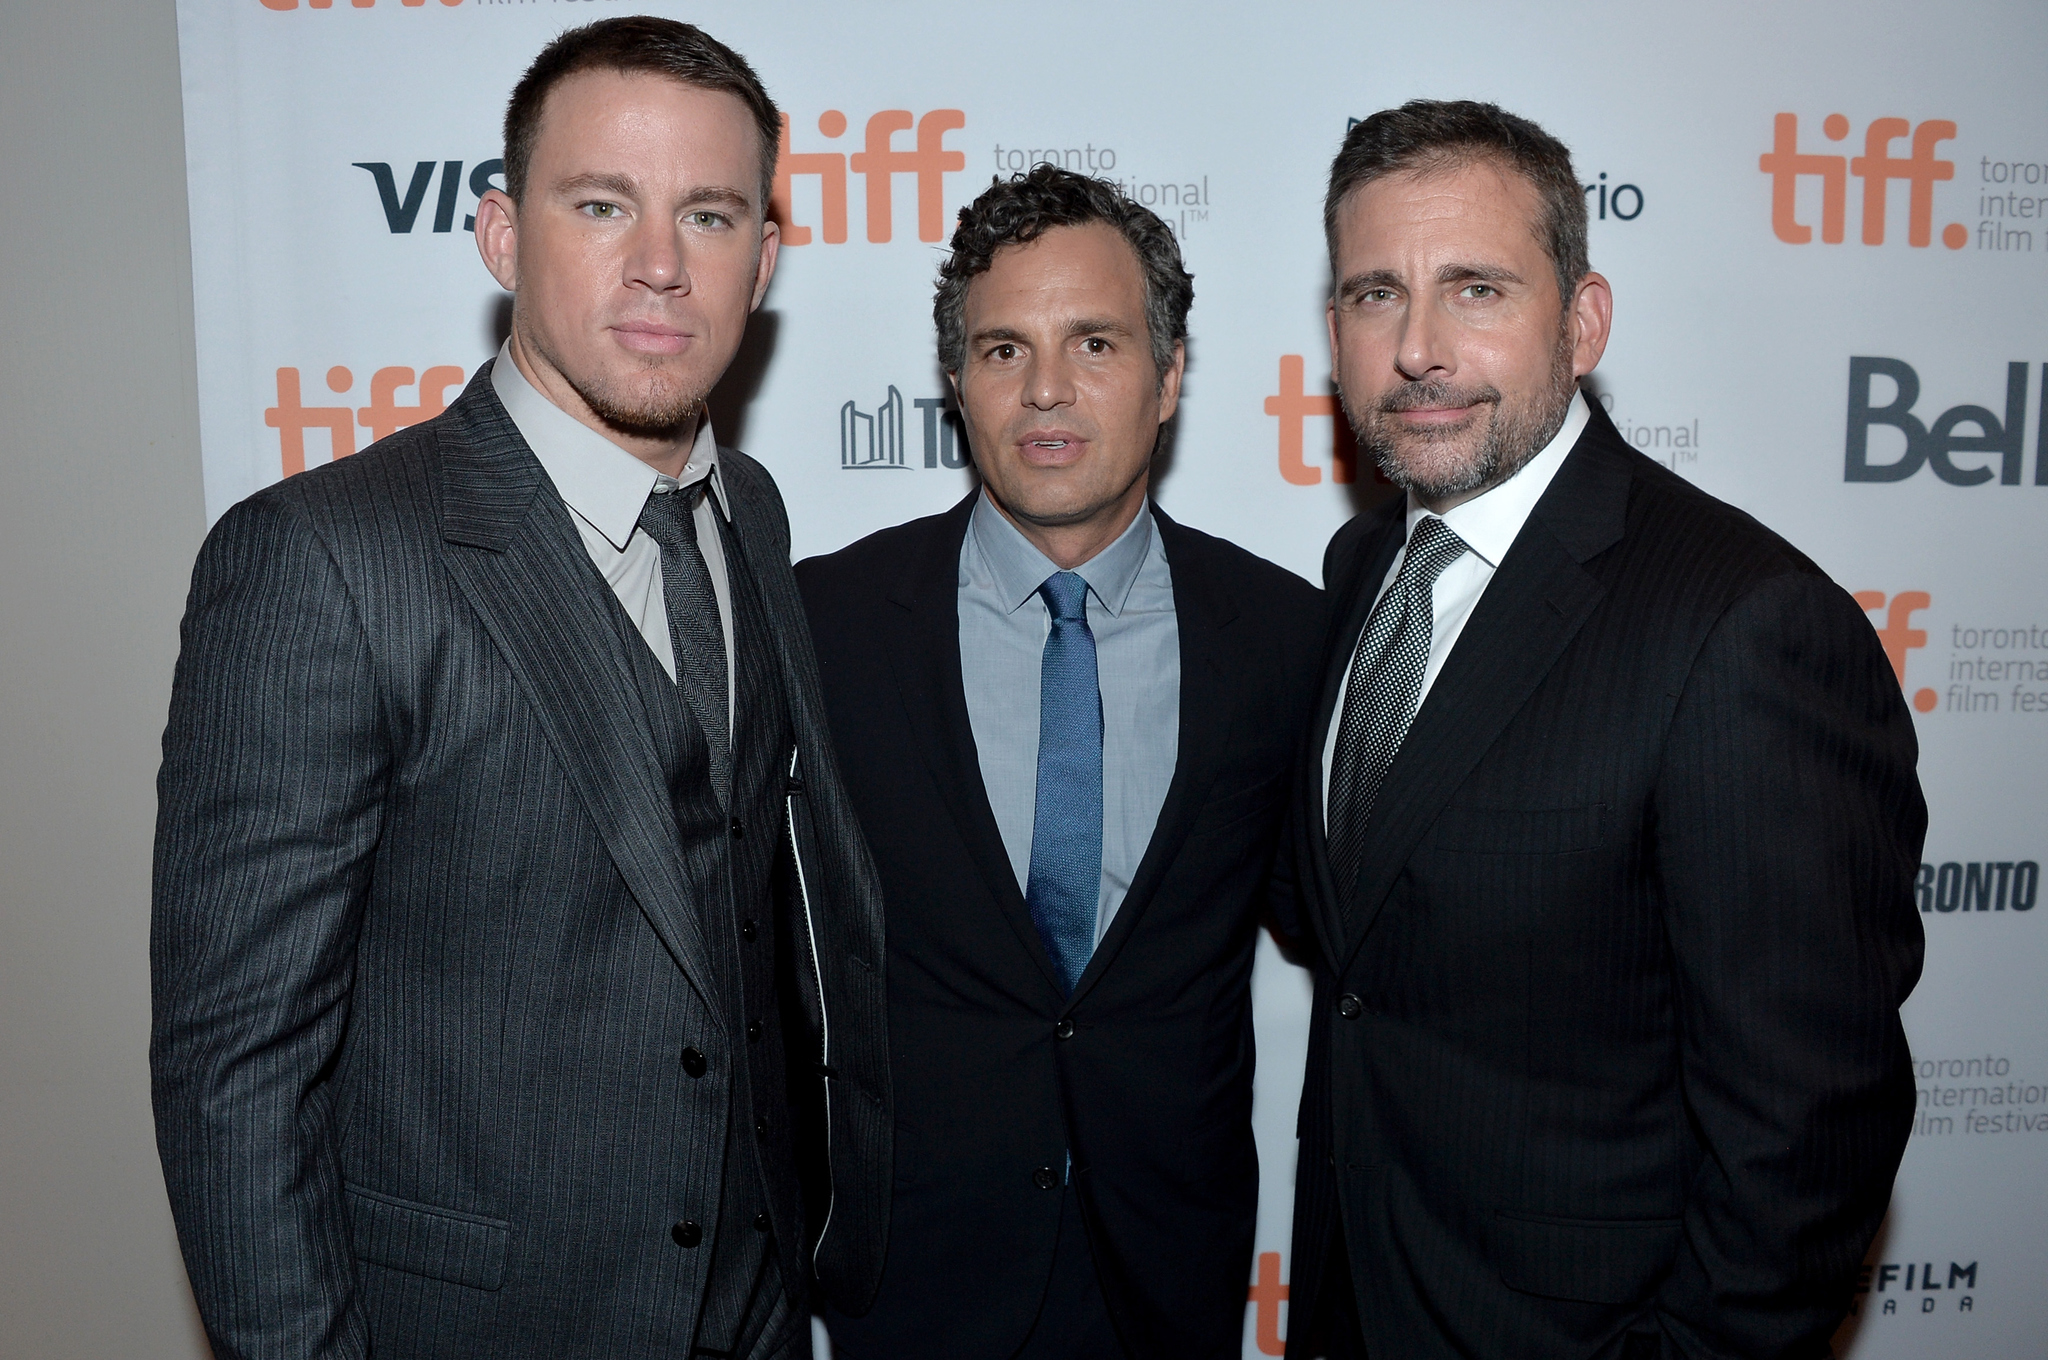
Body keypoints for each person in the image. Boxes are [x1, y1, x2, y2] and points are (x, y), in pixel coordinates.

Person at [151, 19, 890, 1359]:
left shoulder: (752, 515)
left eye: (710, 215)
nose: (660, 265)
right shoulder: (323, 559)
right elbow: (235, 1080)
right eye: (602, 204)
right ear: (500, 236)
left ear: (765, 261)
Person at [1284, 101, 1926, 1360]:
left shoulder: (1741, 623)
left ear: (1581, 322)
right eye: (1373, 294)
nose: (1416, 347)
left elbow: (1806, 1138)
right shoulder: (1363, 565)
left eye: (1474, 288)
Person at [797, 164, 1323, 1360]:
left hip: (1168, 1268)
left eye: (1093, 342)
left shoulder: (1283, 637)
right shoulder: (822, 625)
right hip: (911, 1279)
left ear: (1169, 373)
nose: (1044, 389)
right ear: (955, 380)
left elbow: (1353, 940)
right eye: (1000, 350)